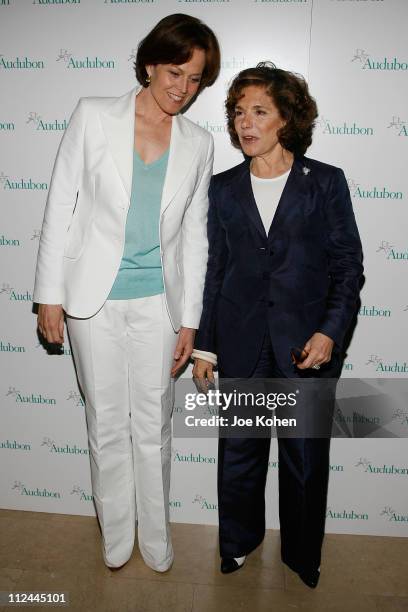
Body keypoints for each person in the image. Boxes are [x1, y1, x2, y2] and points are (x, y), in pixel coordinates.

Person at [34, 13, 220, 572]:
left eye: (194, 80)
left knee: (155, 424)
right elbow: (60, 205)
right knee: (106, 423)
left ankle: (156, 535)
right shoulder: (93, 115)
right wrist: (50, 295)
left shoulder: (199, 141)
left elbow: (195, 236)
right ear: (149, 63)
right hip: (92, 302)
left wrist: (190, 320)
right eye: (174, 73)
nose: (182, 89)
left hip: (158, 305)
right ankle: (116, 533)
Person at [192, 63, 363, 588]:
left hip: (306, 345)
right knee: (238, 453)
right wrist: (205, 348)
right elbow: (213, 269)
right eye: (239, 112)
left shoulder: (325, 182)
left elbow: (347, 268)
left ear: (287, 118)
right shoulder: (222, 188)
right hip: (241, 341)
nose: (246, 122)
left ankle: (303, 555)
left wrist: (329, 332)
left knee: (305, 460)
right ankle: (238, 543)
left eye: (259, 111)